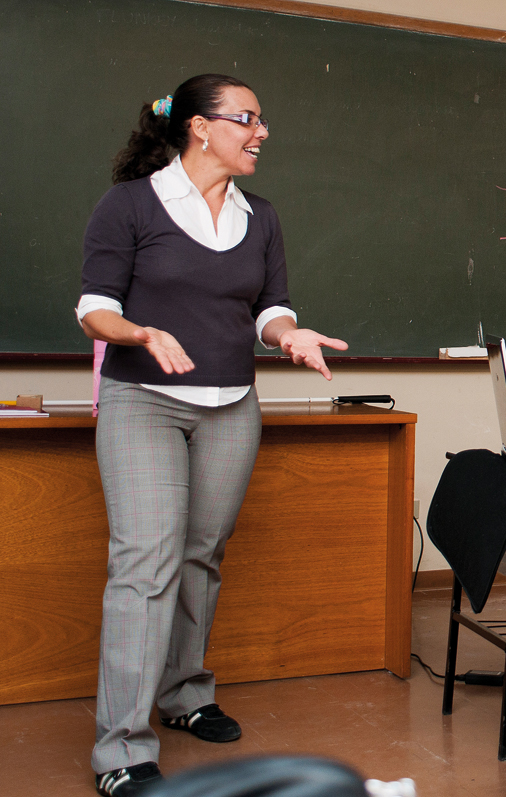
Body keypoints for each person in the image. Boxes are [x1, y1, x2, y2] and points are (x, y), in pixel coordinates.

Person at [78, 74, 348, 797]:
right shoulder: (131, 204)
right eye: (247, 119)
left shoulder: (260, 216)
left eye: (261, 120)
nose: (261, 132)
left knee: (201, 553)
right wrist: (140, 331)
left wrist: (291, 336)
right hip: (144, 399)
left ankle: (186, 695)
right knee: (146, 563)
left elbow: (270, 308)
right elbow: (94, 309)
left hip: (233, 404)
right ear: (200, 127)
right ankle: (122, 751)